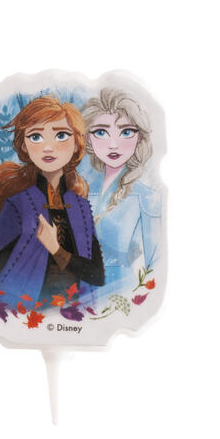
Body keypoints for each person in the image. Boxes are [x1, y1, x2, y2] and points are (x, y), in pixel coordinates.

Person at [0, 95, 104, 311]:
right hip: (26, 311)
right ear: (24, 146)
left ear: (76, 143)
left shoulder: (81, 207)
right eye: (36, 137)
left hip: (75, 310)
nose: (48, 147)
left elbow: (97, 276)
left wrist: (56, 249)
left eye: (61, 135)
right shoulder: (18, 204)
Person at [80, 88, 162, 299]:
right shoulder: (82, 190)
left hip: (118, 291)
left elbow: (155, 262)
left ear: (139, 136)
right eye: (101, 132)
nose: (113, 144)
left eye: (126, 132)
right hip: (78, 289)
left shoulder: (146, 198)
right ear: (88, 138)